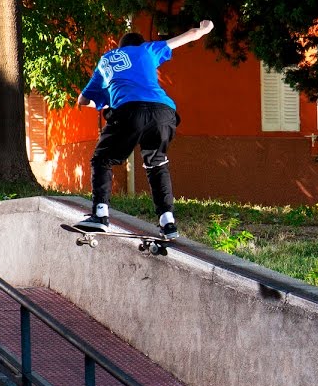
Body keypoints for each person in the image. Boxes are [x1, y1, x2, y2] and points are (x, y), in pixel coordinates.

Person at [72, 20, 215, 239]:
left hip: (130, 112)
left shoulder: (106, 60)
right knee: (157, 162)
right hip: (164, 112)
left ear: (121, 47)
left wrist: (105, 103)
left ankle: (100, 215)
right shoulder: (148, 49)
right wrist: (206, 28)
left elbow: (83, 100)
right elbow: (191, 34)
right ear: (140, 44)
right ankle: (168, 221)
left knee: (102, 159)